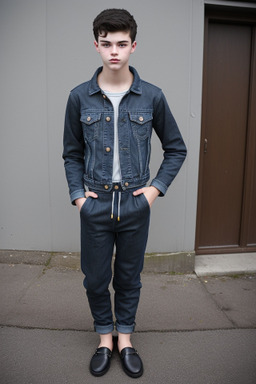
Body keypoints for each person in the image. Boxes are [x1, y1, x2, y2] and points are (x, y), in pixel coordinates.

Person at [63, 8, 186, 378]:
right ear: (96, 46)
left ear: (133, 45)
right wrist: (78, 198)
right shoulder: (78, 97)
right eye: (106, 44)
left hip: (135, 203)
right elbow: (71, 154)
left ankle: (126, 338)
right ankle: (105, 338)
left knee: (129, 277)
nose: (113, 51)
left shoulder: (152, 96)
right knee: (96, 278)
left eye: (121, 43)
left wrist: (153, 191)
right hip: (96, 205)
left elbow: (176, 149)